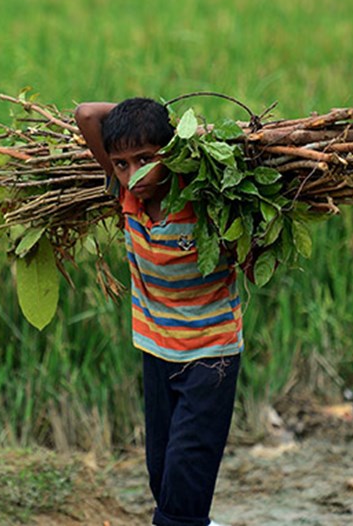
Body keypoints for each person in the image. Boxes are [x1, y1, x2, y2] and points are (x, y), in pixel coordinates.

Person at [75, 97, 242, 526]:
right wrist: (138, 137)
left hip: (210, 359)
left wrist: (176, 134)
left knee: (184, 483)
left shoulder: (206, 201)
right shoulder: (125, 197)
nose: (136, 175)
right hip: (157, 354)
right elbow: (87, 115)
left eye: (147, 159)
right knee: (163, 475)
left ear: (171, 153)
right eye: (122, 163)